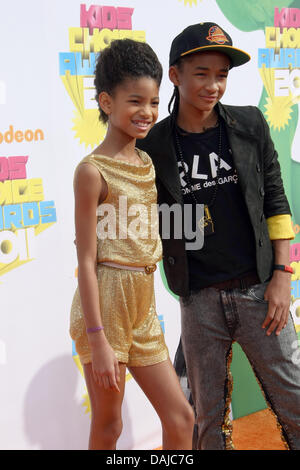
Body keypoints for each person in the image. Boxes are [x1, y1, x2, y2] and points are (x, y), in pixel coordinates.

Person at [138, 22, 300, 450]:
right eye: (202, 73)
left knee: (295, 399)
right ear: (175, 75)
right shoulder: (153, 145)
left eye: (222, 75)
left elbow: (276, 202)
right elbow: (158, 217)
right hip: (200, 301)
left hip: (260, 291)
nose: (214, 85)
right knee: (206, 421)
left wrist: (283, 275)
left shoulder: (250, 125)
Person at [69, 38, 194, 451]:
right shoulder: (91, 172)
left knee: (181, 418)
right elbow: (86, 262)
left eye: (155, 102)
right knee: (109, 427)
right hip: (106, 306)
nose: (147, 113)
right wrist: (98, 339)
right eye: (135, 101)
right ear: (107, 102)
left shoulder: (147, 163)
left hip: (143, 304)